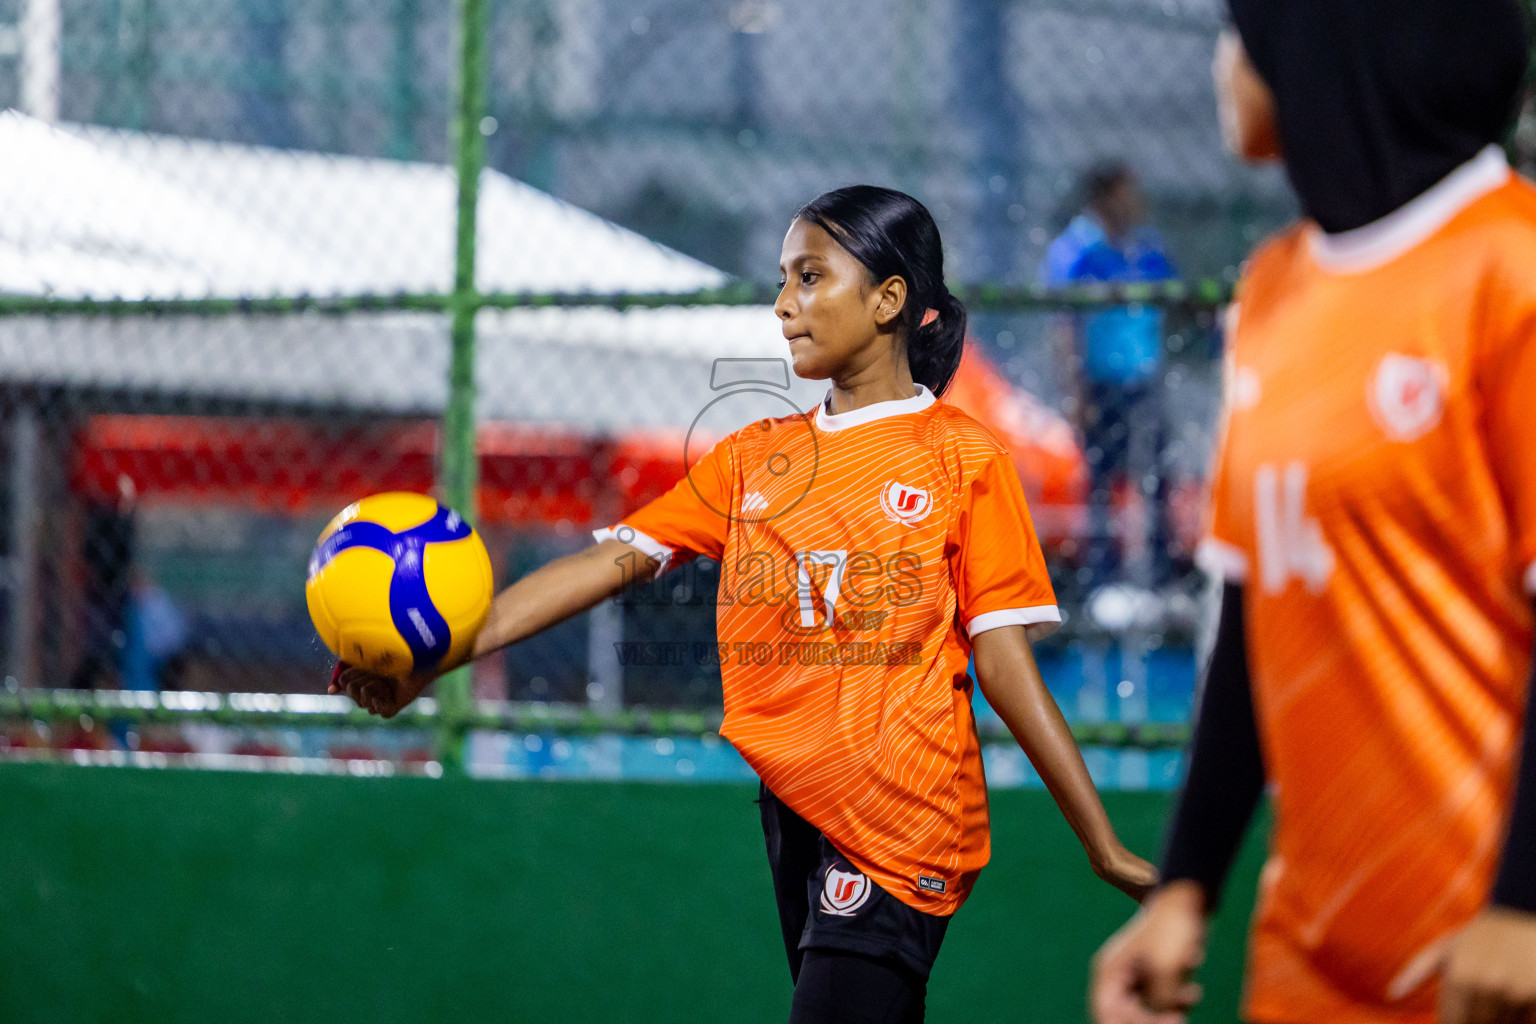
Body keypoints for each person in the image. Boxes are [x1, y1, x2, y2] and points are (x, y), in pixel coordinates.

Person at [334, 185, 1157, 1022]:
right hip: (793, 811)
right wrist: (432, 660)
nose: (783, 305)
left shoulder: (964, 459)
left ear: (889, 299)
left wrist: (1101, 843)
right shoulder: (752, 459)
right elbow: (604, 565)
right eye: (781, 280)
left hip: (901, 815)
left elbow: (1005, 664)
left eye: (810, 278)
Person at [1090, 4, 1536, 1024]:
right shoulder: (1276, 289)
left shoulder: (1514, 271)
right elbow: (1257, 615)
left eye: (1238, 26)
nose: (1224, 61)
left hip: (1492, 964)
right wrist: (1181, 890)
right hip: (1312, 958)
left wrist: (1523, 907)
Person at [1041, 163, 1178, 589]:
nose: (1135, 203)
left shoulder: (1146, 248)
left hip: (1144, 382)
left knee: (1157, 478)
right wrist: (1074, 390)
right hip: (1100, 383)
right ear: (1103, 198)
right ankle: (1100, 578)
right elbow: (1065, 326)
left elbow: (1175, 299)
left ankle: (1160, 576)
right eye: (1125, 193)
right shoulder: (1077, 252)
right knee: (1100, 482)